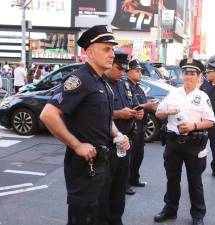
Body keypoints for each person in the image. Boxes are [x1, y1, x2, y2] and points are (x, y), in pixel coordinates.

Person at [39, 25, 130, 225]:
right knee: (84, 219)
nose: (112, 54)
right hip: (84, 168)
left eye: (112, 49)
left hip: (102, 163)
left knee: (101, 216)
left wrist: (117, 135)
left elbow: (105, 119)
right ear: (89, 52)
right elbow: (48, 114)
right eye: (106, 49)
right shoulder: (80, 79)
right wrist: (76, 145)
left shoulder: (102, 82)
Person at [154, 58, 215, 225]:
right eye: (186, 73)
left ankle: (198, 215)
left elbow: (210, 121)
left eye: (192, 74)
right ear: (182, 76)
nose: (189, 76)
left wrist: (193, 125)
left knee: (195, 182)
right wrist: (167, 111)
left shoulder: (202, 97)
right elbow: (158, 113)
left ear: (198, 77)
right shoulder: (173, 93)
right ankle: (170, 210)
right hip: (173, 143)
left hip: (193, 144)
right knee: (172, 179)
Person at [103, 52, 143, 223]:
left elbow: (133, 104)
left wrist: (137, 112)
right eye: (119, 68)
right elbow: (95, 115)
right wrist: (118, 114)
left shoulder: (123, 85)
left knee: (119, 192)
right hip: (107, 145)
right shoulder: (101, 85)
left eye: (124, 69)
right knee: (104, 191)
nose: (122, 72)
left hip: (125, 144)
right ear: (110, 64)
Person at [126, 59, 157, 188]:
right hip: (131, 127)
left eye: (140, 71)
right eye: (137, 71)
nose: (140, 74)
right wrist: (147, 105)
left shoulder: (138, 87)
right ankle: (125, 184)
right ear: (128, 72)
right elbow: (130, 106)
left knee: (139, 155)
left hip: (140, 127)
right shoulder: (125, 86)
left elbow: (142, 105)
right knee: (129, 157)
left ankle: (134, 179)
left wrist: (151, 106)